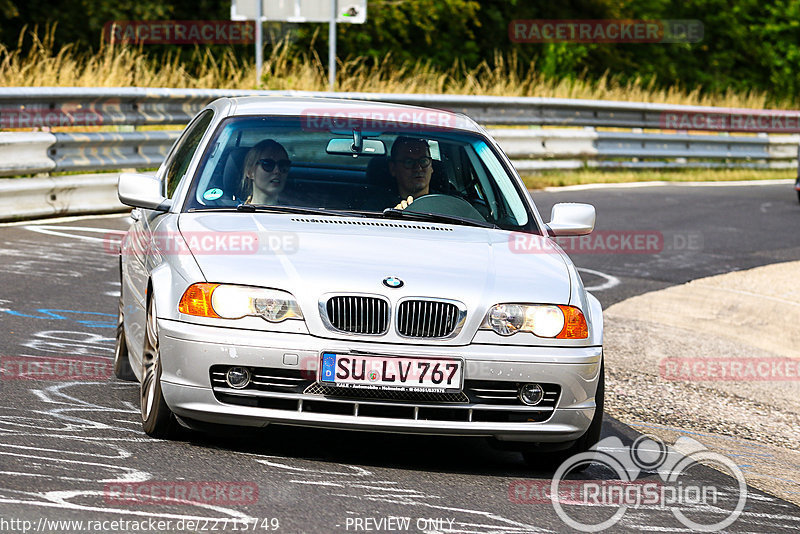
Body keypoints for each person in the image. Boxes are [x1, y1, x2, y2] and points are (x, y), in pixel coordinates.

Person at [238, 139, 292, 205]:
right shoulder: (233, 213)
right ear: (250, 172)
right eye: (268, 165)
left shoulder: (300, 212)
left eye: (283, 165)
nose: (277, 171)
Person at [387, 136, 434, 209]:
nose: (418, 168)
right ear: (393, 168)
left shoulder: (448, 204)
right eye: (409, 162)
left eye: (424, 161)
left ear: (431, 166)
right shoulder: (374, 208)